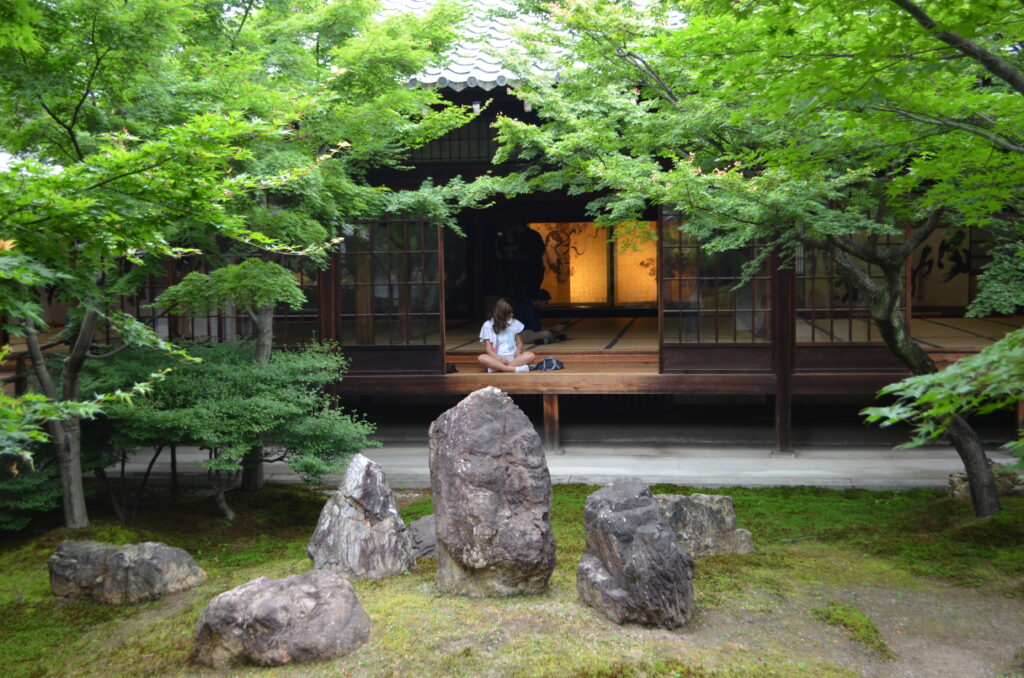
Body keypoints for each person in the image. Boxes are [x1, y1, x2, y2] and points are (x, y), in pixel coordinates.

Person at [478, 298, 537, 373]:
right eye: (509, 313)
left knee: (531, 355)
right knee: (481, 358)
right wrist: (499, 359)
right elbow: (488, 349)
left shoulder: (515, 323)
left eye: (512, 312)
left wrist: (518, 352)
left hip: (513, 358)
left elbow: (519, 343)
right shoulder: (488, 325)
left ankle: (497, 368)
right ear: (501, 313)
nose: (512, 314)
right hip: (496, 358)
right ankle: (513, 369)